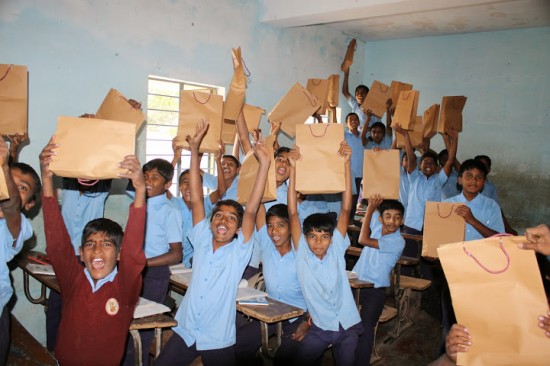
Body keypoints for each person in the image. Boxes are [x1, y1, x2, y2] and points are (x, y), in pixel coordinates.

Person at [155, 120, 271, 366]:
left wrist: (265, 164)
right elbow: (197, 198)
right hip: (186, 327)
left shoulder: (239, 250)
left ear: (238, 228)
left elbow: (250, 209)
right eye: (219, 215)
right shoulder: (202, 240)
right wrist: (194, 151)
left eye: (231, 218)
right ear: (210, 222)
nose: (224, 221)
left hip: (217, 336)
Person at [39, 137, 146, 365]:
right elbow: (57, 241)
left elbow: (134, 253)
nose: (96, 250)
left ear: (119, 254)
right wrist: (46, 179)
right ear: (80, 251)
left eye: (107, 244)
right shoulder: (73, 280)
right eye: (90, 244)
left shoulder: (124, 287)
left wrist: (139, 190)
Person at [287, 142, 362, 366]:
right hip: (320, 328)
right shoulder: (302, 253)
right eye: (312, 236)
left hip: (347, 326)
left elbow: (346, 209)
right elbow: (292, 212)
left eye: (324, 236)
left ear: (331, 238)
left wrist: (347, 164)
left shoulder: (336, 250)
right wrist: (293, 168)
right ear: (305, 238)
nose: (318, 242)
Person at [124, 158, 183, 365]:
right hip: (131, 271)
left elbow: (176, 254)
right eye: (146, 175)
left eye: (154, 178)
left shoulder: (170, 211)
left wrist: (144, 263)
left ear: (167, 185)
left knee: (143, 332)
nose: (148, 180)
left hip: (153, 275)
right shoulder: (137, 202)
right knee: (125, 327)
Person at [235, 203, 309, 365]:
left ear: (292, 228)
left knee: (286, 356)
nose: (274, 232)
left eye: (281, 226)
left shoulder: (303, 253)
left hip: (299, 316)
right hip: (271, 313)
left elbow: (319, 294)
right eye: (270, 226)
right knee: (239, 345)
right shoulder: (267, 244)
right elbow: (258, 206)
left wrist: (307, 322)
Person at [353, 196, 405, 366]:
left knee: (366, 328)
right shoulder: (377, 225)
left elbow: (362, 240)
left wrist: (370, 209)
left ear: (402, 220)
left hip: (375, 289)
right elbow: (370, 205)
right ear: (381, 218)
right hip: (356, 283)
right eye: (388, 216)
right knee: (346, 322)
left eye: (397, 217)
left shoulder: (398, 241)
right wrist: (372, 202)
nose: (392, 221)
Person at [0, 140, 39, 364]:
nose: (11, 190)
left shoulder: (16, 226)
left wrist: (5, 167)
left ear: (29, 204)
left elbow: (10, 206)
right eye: (8, 183)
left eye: (22, 188)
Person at [172, 142, 226, 268]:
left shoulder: (205, 203)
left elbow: (221, 191)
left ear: (200, 188)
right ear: (179, 187)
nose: (190, 185)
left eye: (193, 182)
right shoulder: (173, 203)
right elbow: (163, 184)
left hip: (197, 259)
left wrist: (218, 161)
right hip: (174, 258)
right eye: (185, 182)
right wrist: (175, 158)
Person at [445, 159, 504, 240]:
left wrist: (472, 220)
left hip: (482, 252)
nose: (474, 180)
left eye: (479, 177)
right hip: (455, 251)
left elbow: (499, 238)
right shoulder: (447, 204)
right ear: (460, 180)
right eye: (469, 176)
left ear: (483, 183)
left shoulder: (491, 205)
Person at [343, 112, 364, 221]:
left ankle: (352, 221)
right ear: (346, 124)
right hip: (350, 172)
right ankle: (347, 221)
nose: (353, 121)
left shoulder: (362, 136)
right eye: (350, 120)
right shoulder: (344, 136)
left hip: (362, 173)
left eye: (356, 119)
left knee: (358, 200)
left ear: (359, 122)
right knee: (350, 199)